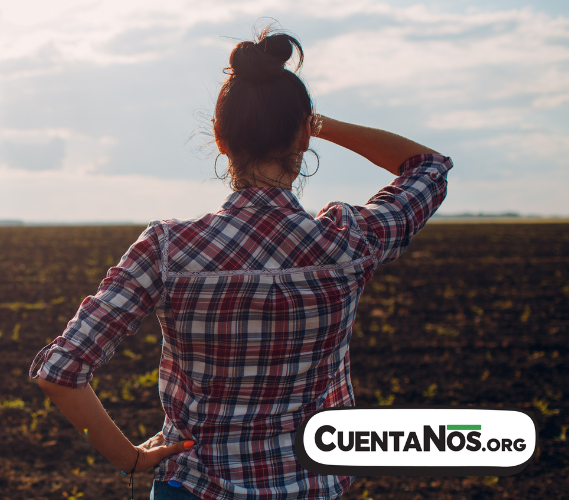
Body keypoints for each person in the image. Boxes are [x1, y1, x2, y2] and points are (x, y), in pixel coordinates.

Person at [30, 27, 452, 500]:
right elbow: (428, 167)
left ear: (219, 138)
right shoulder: (348, 241)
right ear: (301, 137)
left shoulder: (168, 248)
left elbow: (61, 372)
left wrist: (128, 458)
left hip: (191, 488)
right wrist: (317, 124)